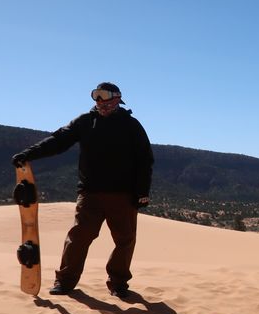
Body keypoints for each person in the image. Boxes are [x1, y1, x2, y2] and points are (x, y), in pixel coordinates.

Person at [12, 82, 154, 297]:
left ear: (117, 99)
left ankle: (118, 284)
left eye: (104, 96)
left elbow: (145, 160)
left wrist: (142, 192)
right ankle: (65, 282)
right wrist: (29, 154)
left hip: (123, 195)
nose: (100, 102)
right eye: (96, 96)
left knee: (124, 240)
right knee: (78, 238)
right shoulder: (85, 122)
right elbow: (58, 140)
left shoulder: (131, 125)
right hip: (90, 194)